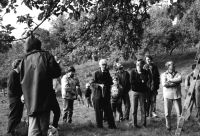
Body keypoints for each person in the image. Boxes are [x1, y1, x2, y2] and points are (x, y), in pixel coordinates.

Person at [20, 35, 61, 136]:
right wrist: (56, 64)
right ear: (39, 45)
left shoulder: (24, 60)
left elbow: (21, 80)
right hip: (44, 100)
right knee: (43, 129)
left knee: (33, 129)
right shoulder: (47, 56)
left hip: (30, 101)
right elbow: (56, 73)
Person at [91, 59, 116, 129]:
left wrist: (113, 82)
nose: (104, 66)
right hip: (97, 96)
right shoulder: (96, 73)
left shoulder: (107, 73)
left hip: (106, 96)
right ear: (100, 65)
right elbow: (92, 84)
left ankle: (112, 126)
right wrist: (99, 85)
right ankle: (99, 126)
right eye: (103, 64)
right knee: (98, 112)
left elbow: (110, 82)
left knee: (109, 111)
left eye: (105, 64)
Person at [161, 61, 182, 131]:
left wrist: (170, 80)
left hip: (177, 95)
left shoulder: (178, 73)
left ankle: (179, 128)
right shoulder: (164, 74)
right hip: (167, 96)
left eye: (174, 65)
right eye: (172, 65)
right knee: (167, 113)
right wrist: (175, 83)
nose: (174, 66)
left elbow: (180, 79)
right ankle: (168, 127)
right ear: (168, 66)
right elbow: (164, 84)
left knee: (179, 113)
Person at [130, 59, 150, 128]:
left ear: (142, 65)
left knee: (143, 108)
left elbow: (145, 81)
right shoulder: (132, 71)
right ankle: (134, 124)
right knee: (134, 109)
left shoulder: (145, 72)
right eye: (137, 64)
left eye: (139, 64)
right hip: (134, 92)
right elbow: (132, 82)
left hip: (142, 92)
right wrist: (141, 81)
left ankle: (143, 124)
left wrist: (140, 74)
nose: (137, 65)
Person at [7, 59, 24, 136]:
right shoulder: (12, 73)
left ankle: (15, 130)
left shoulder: (19, 73)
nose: (23, 65)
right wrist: (20, 95)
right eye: (21, 64)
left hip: (20, 98)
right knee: (14, 115)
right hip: (14, 98)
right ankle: (9, 131)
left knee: (19, 115)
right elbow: (11, 88)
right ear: (17, 65)